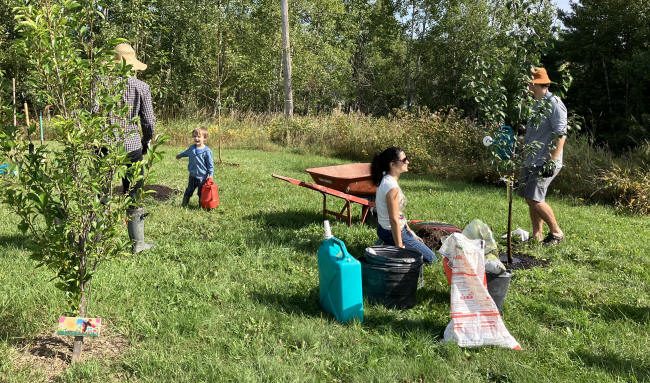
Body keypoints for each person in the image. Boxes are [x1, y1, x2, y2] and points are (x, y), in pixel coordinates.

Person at [114, 42, 156, 253]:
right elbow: (148, 122)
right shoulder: (141, 87)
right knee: (134, 191)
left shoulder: (99, 85)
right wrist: (146, 142)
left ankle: (95, 240)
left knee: (100, 193)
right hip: (131, 146)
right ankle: (137, 243)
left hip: (102, 146)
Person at [519, 67, 567, 246]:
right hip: (532, 158)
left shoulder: (554, 103)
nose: (528, 88)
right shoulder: (536, 104)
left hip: (545, 160)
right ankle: (537, 235)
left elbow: (560, 134)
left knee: (534, 198)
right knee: (530, 197)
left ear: (536, 84)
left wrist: (552, 160)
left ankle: (556, 232)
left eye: (530, 84)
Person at [370, 147, 437, 263]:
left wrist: (410, 231)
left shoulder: (386, 178)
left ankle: (386, 244)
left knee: (419, 244)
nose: (408, 162)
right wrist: (400, 246)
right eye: (404, 159)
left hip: (384, 229)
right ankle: (389, 246)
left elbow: (398, 214)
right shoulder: (391, 187)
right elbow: (394, 219)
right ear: (392, 164)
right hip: (392, 233)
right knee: (431, 259)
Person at [176, 127, 214, 207]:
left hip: (203, 178)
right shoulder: (192, 148)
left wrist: (210, 175)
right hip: (192, 176)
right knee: (189, 191)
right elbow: (185, 153)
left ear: (204, 138)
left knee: (201, 193)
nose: (196, 138)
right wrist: (179, 155)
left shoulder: (207, 151)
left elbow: (210, 165)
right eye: (194, 136)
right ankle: (184, 204)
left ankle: (201, 206)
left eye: (199, 136)